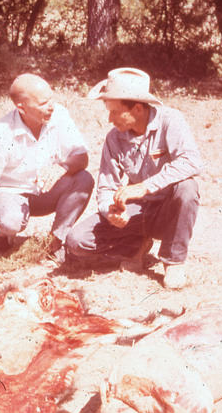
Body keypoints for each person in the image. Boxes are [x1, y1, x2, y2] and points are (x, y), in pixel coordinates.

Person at [66, 68, 203, 289]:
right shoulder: (114, 138)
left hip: (167, 212)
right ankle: (136, 244)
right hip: (136, 213)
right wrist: (110, 212)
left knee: (188, 187)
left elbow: (192, 161)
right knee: (76, 241)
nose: (110, 119)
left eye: (115, 112)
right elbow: (106, 185)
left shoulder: (171, 121)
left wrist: (145, 187)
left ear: (138, 109)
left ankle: (174, 261)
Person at [0, 73, 94, 268]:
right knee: (12, 220)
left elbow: (82, 157)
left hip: (45, 191)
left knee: (83, 180)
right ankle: (7, 235)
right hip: (10, 194)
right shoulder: (0, 133)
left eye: (51, 98)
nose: (51, 106)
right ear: (21, 107)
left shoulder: (59, 115)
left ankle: (55, 242)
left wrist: (61, 167)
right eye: (43, 103)